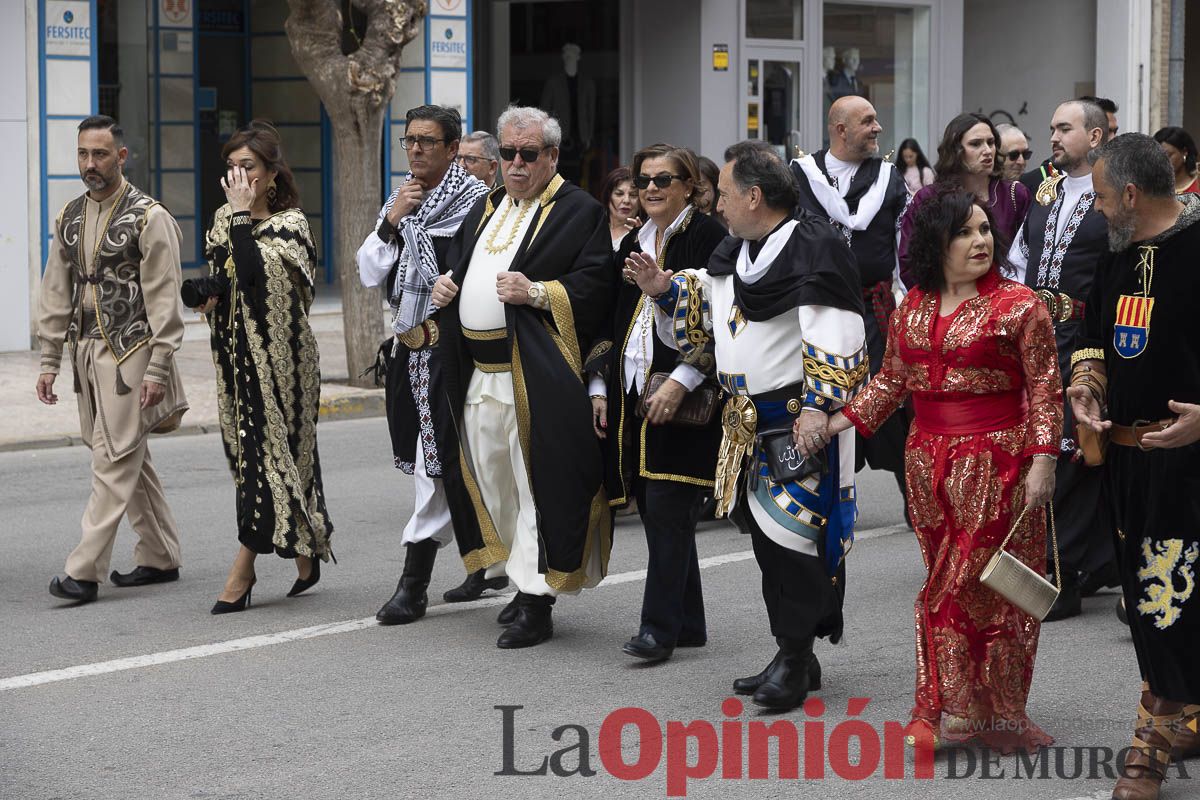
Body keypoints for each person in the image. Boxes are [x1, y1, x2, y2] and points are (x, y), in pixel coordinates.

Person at [823, 188, 1062, 753]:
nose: (980, 241)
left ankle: (945, 706)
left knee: (962, 587)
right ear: (936, 244)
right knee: (956, 579)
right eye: (964, 232)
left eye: (984, 230)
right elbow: (891, 381)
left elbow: (1046, 390)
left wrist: (1044, 460)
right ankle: (991, 715)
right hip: (925, 459)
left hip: (998, 462)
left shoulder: (1021, 306)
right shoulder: (913, 308)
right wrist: (840, 421)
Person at [630, 140, 866, 710]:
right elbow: (711, 316)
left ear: (755, 196)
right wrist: (665, 290)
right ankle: (794, 655)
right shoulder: (738, 249)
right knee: (767, 541)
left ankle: (793, 656)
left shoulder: (815, 248)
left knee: (796, 542)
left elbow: (836, 331)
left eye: (727, 194)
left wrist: (819, 407)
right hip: (743, 423)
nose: (719, 205)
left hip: (796, 420)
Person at [431, 106, 614, 649]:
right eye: (508, 153)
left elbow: (596, 286)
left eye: (527, 154)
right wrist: (449, 286)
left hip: (534, 373)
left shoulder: (577, 210)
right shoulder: (488, 205)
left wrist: (537, 293)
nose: (514, 163)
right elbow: (466, 266)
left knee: (536, 483)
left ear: (551, 156)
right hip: (477, 371)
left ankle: (537, 600)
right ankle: (520, 580)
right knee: (494, 482)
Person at [1070, 134, 1200, 800]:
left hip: (1188, 464)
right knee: (1146, 597)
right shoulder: (1113, 253)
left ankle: (1149, 745)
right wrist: (1086, 385)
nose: (1093, 211)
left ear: (1129, 194)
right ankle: (1187, 709)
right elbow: (1092, 332)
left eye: (1097, 196)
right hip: (1124, 460)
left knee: (1165, 598)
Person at [37, 115, 188, 605]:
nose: (90, 164)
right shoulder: (70, 216)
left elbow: (164, 296)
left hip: (133, 352)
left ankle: (83, 571)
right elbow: (56, 290)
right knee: (127, 454)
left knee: (113, 458)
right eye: (83, 154)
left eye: (100, 154)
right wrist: (48, 359)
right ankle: (160, 555)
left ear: (120, 157)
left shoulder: (149, 216)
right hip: (86, 352)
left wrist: (161, 366)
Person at [587, 143, 726, 663]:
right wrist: (599, 387)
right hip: (633, 398)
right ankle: (687, 622)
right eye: (644, 179)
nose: (650, 189)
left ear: (688, 187)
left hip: (683, 398)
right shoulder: (634, 244)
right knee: (657, 512)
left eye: (664, 180)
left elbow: (723, 323)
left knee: (669, 510)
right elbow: (608, 319)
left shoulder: (709, 238)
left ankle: (657, 629)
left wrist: (683, 379)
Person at [357, 106, 491, 624]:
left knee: (442, 469)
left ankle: (412, 587)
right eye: (409, 141)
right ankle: (492, 564)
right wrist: (392, 221)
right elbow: (370, 271)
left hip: (454, 353)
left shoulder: (478, 201)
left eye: (427, 142)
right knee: (440, 466)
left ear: (453, 149)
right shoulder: (402, 200)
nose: (415, 150)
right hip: (409, 351)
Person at [196, 121, 334, 613]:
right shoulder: (223, 220)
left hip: (284, 366)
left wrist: (238, 220)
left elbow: (259, 281)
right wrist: (207, 295)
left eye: (248, 167)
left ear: (271, 174)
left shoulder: (290, 226)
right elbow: (228, 281)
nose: (238, 177)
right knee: (263, 460)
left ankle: (242, 571)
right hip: (235, 360)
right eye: (231, 167)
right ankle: (307, 543)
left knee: (267, 463)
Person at [1007, 100, 1115, 620]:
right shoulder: (1041, 191)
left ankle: (1065, 573)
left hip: (1087, 336)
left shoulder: (1111, 194)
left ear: (1095, 137)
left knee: (1075, 448)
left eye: (1064, 128)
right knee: (1039, 443)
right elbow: (1020, 261)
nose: (1052, 136)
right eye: (1051, 128)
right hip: (1036, 334)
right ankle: (1059, 563)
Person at [792, 96, 911, 525]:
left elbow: (905, 248)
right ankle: (814, 494)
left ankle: (912, 497)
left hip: (873, 308)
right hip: (817, 308)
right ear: (840, 129)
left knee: (888, 398)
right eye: (868, 122)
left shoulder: (890, 180)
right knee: (822, 393)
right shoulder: (799, 177)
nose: (878, 128)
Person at [900, 113, 1031, 291]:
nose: (986, 150)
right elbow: (910, 261)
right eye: (975, 144)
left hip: (1003, 304)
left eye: (991, 143)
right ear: (955, 150)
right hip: (946, 302)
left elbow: (1028, 256)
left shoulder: (1015, 194)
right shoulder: (929, 198)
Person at [1019, 96, 1119, 195]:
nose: (1113, 138)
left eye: (1113, 131)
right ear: (1093, 135)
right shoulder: (1034, 183)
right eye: (1108, 131)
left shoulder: (1121, 182)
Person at [598, 166, 640, 250]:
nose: (626, 200)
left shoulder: (647, 234)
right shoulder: (595, 230)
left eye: (633, 195)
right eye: (619, 194)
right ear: (608, 197)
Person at [1152, 126, 1199, 195]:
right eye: (1158, 156)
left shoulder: (1198, 183)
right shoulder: (1151, 186)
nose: (1162, 161)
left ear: (1184, 152)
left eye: (1169, 155)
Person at [695, 155, 726, 227]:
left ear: (714, 184)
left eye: (701, 184)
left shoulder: (727, 216)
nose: (697, 190)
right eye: (693, 185)